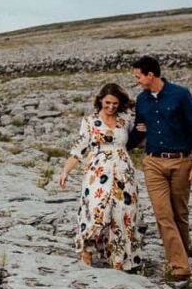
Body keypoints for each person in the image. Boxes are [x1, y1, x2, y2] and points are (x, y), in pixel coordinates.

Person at [127, 56, 192, 282]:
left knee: (179, 213)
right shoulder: (141, 100)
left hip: (181, 161)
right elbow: (139, 132)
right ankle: (180, 267)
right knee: (163, 214)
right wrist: (113, 142)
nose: (137, 81)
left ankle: (183, 251)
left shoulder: (180, 94)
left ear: (151, 75)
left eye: (138, 76)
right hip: (153, 162)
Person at [57, 83, 143, 271]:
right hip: (98, 173)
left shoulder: (125, 120)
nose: (111, 106)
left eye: (115, 103)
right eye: (108, 102)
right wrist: (65, 171)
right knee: (96, 210)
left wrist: (142, 131)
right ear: (100, 101)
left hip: (123, 172)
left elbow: (133, 142)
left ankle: (119, 258)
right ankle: (86, 248)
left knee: (123, 213)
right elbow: (78, 151)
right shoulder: (89, 122)